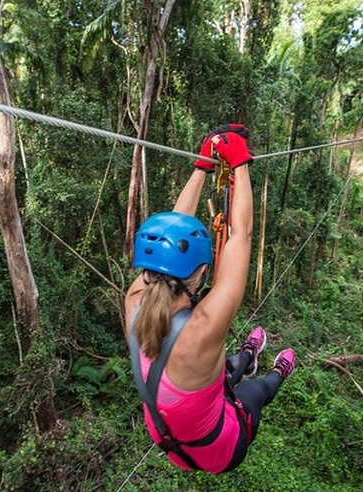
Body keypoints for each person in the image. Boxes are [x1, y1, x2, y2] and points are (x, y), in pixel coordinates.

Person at [124, 123, 296, 474]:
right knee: (255, 393)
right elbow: (240, 235)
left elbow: (177, 224)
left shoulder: (134, 298)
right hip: (218, 448)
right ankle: (278, 370)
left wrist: (204, 166)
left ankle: (248, 355)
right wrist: (240, 163)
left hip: (167, 439)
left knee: (227, 373)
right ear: (202, 271)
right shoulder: (201, 331)